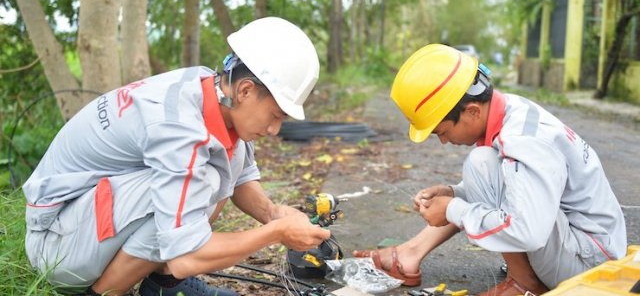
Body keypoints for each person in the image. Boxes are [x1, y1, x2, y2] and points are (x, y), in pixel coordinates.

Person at [22, 17, 331, 296]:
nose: (275, 129)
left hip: (85, 221)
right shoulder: (178, 127)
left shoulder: (212, 91)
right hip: (57, 245)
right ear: (246, 91)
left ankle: (163, 285)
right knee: (204, 179)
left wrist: (272, 213)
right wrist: (274, 233)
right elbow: (187, 256)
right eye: (275, 115)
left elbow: (240, 177)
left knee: (216, 165)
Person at [353, 44, 627, 296]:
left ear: (471, 111)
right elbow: (508, 186)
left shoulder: (523, 140)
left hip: (590, 267)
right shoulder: (511, 110)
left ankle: (524, 284)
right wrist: (453, 193)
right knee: (482, 164)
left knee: (480, 163)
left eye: (442, 132)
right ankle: (410, 253)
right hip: (582, 245)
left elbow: (527, 231)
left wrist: (452, 209)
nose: (445, 141)